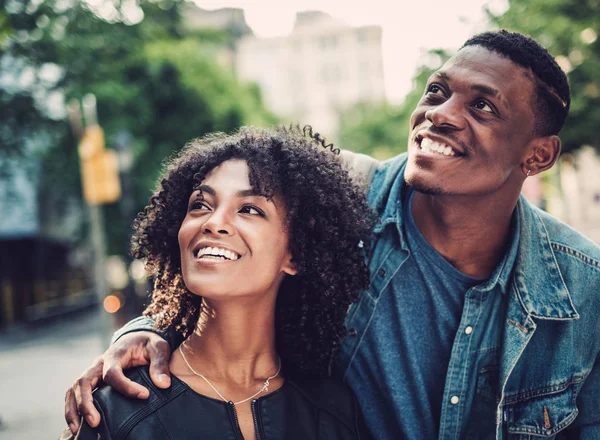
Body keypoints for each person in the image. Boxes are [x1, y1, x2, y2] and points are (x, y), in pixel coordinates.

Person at [65, 30, 600, 439]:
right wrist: (146, 329)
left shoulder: (583, 289)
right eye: (437, 91)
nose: (440, 115)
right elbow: (226, 243)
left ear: (538, 155)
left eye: (482, 106)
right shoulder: (341, 196)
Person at [60, 126, 373, 439]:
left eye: (249, 209)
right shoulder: (115, 411)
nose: (213, 222)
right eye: (200, 205)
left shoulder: (333, 413)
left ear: (295, 255)